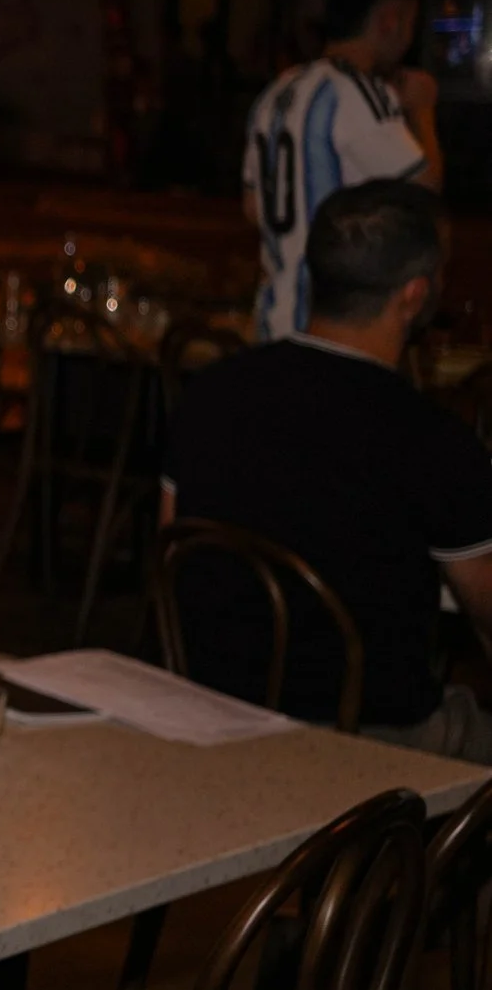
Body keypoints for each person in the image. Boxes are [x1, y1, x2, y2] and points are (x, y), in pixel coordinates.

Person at [163, 179, 492, 759]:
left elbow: (172, 546)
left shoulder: (209, 394)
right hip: (364, 743)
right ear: (414, 295)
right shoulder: (431, 439)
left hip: (206, 711)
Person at [244, 0, 443, 342]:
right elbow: (425, 190)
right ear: (389, 20)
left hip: (272, 321)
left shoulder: (276, 93)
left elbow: (253, 208)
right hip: (331, 332)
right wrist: (423, 111)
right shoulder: (358, 90)